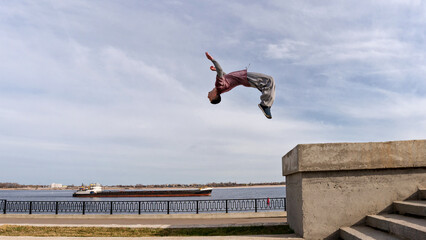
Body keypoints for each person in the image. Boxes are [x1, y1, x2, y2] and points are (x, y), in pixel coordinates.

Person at [206, 52, 276, 119]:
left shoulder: (221, 87)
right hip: (245, 78)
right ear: (214, 95)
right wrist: (212, 59)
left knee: (268, 82)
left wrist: (215, 70)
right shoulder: (219, 86)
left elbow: (226, 76)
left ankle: (264, 97)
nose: (208, 96)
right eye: (210, 98)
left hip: (244, 79)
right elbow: (220, 70)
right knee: (269, 80)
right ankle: (265, 105)